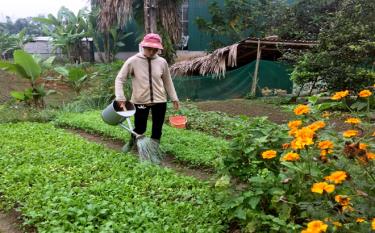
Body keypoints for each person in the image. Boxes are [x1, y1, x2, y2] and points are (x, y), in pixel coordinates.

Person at [115, 33, 180, 152]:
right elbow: (120, 79)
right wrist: (120, 97)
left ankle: (154, 150)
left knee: (157, 128)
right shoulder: (133, 61)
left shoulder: (162, 62)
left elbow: (168, 81)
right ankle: (131, 143)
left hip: (160, 100)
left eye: (155, 49)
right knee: (140, 127)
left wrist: (174, 97)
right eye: (149, 49)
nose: (152, 52)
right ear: (143, 46)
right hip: (140, 101)